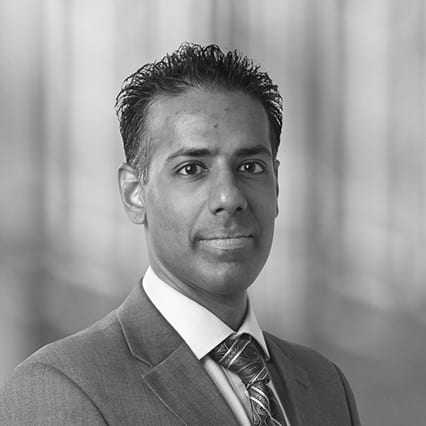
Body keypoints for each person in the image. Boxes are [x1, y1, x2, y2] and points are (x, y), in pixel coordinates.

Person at [0, 43, 360, 425]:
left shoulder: (324, 384)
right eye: (192, 169)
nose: (229, 198)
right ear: (134, 193)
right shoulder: (63, 387)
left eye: (251, 167)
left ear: (276, 185)